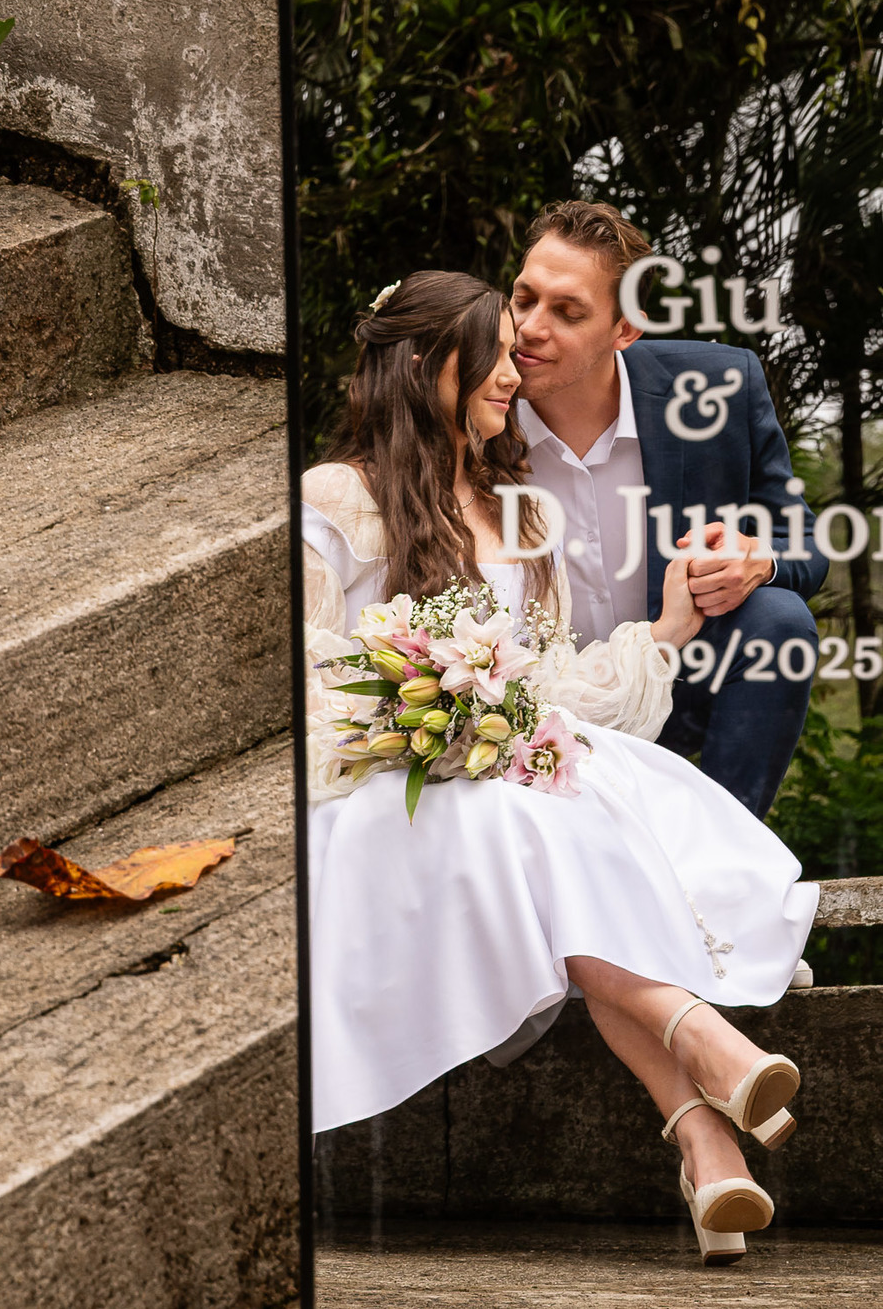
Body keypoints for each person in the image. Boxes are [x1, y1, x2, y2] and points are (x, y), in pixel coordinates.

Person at [303, 272, 817, 1266]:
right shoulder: (340, 497)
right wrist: (431, 715)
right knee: (533, 816)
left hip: (513, 761)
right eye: (493, 350)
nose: (514, 369)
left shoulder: (525, 512)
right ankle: (701, 1050)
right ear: (422, 364)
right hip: (385, 783)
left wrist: (664, 627)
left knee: (562, 799)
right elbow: (304, 670)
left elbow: (550, 684)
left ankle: (709, 1149)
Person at [510, 201, 826, 819]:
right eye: (524, 299)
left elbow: (807, 548)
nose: (530, 327)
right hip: (528, 710)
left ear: (625, 330)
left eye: (568, 312)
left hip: (679, 705)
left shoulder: (717, 388)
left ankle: (726, 862)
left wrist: (760, 561)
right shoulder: (472, 407)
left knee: (778, 617)